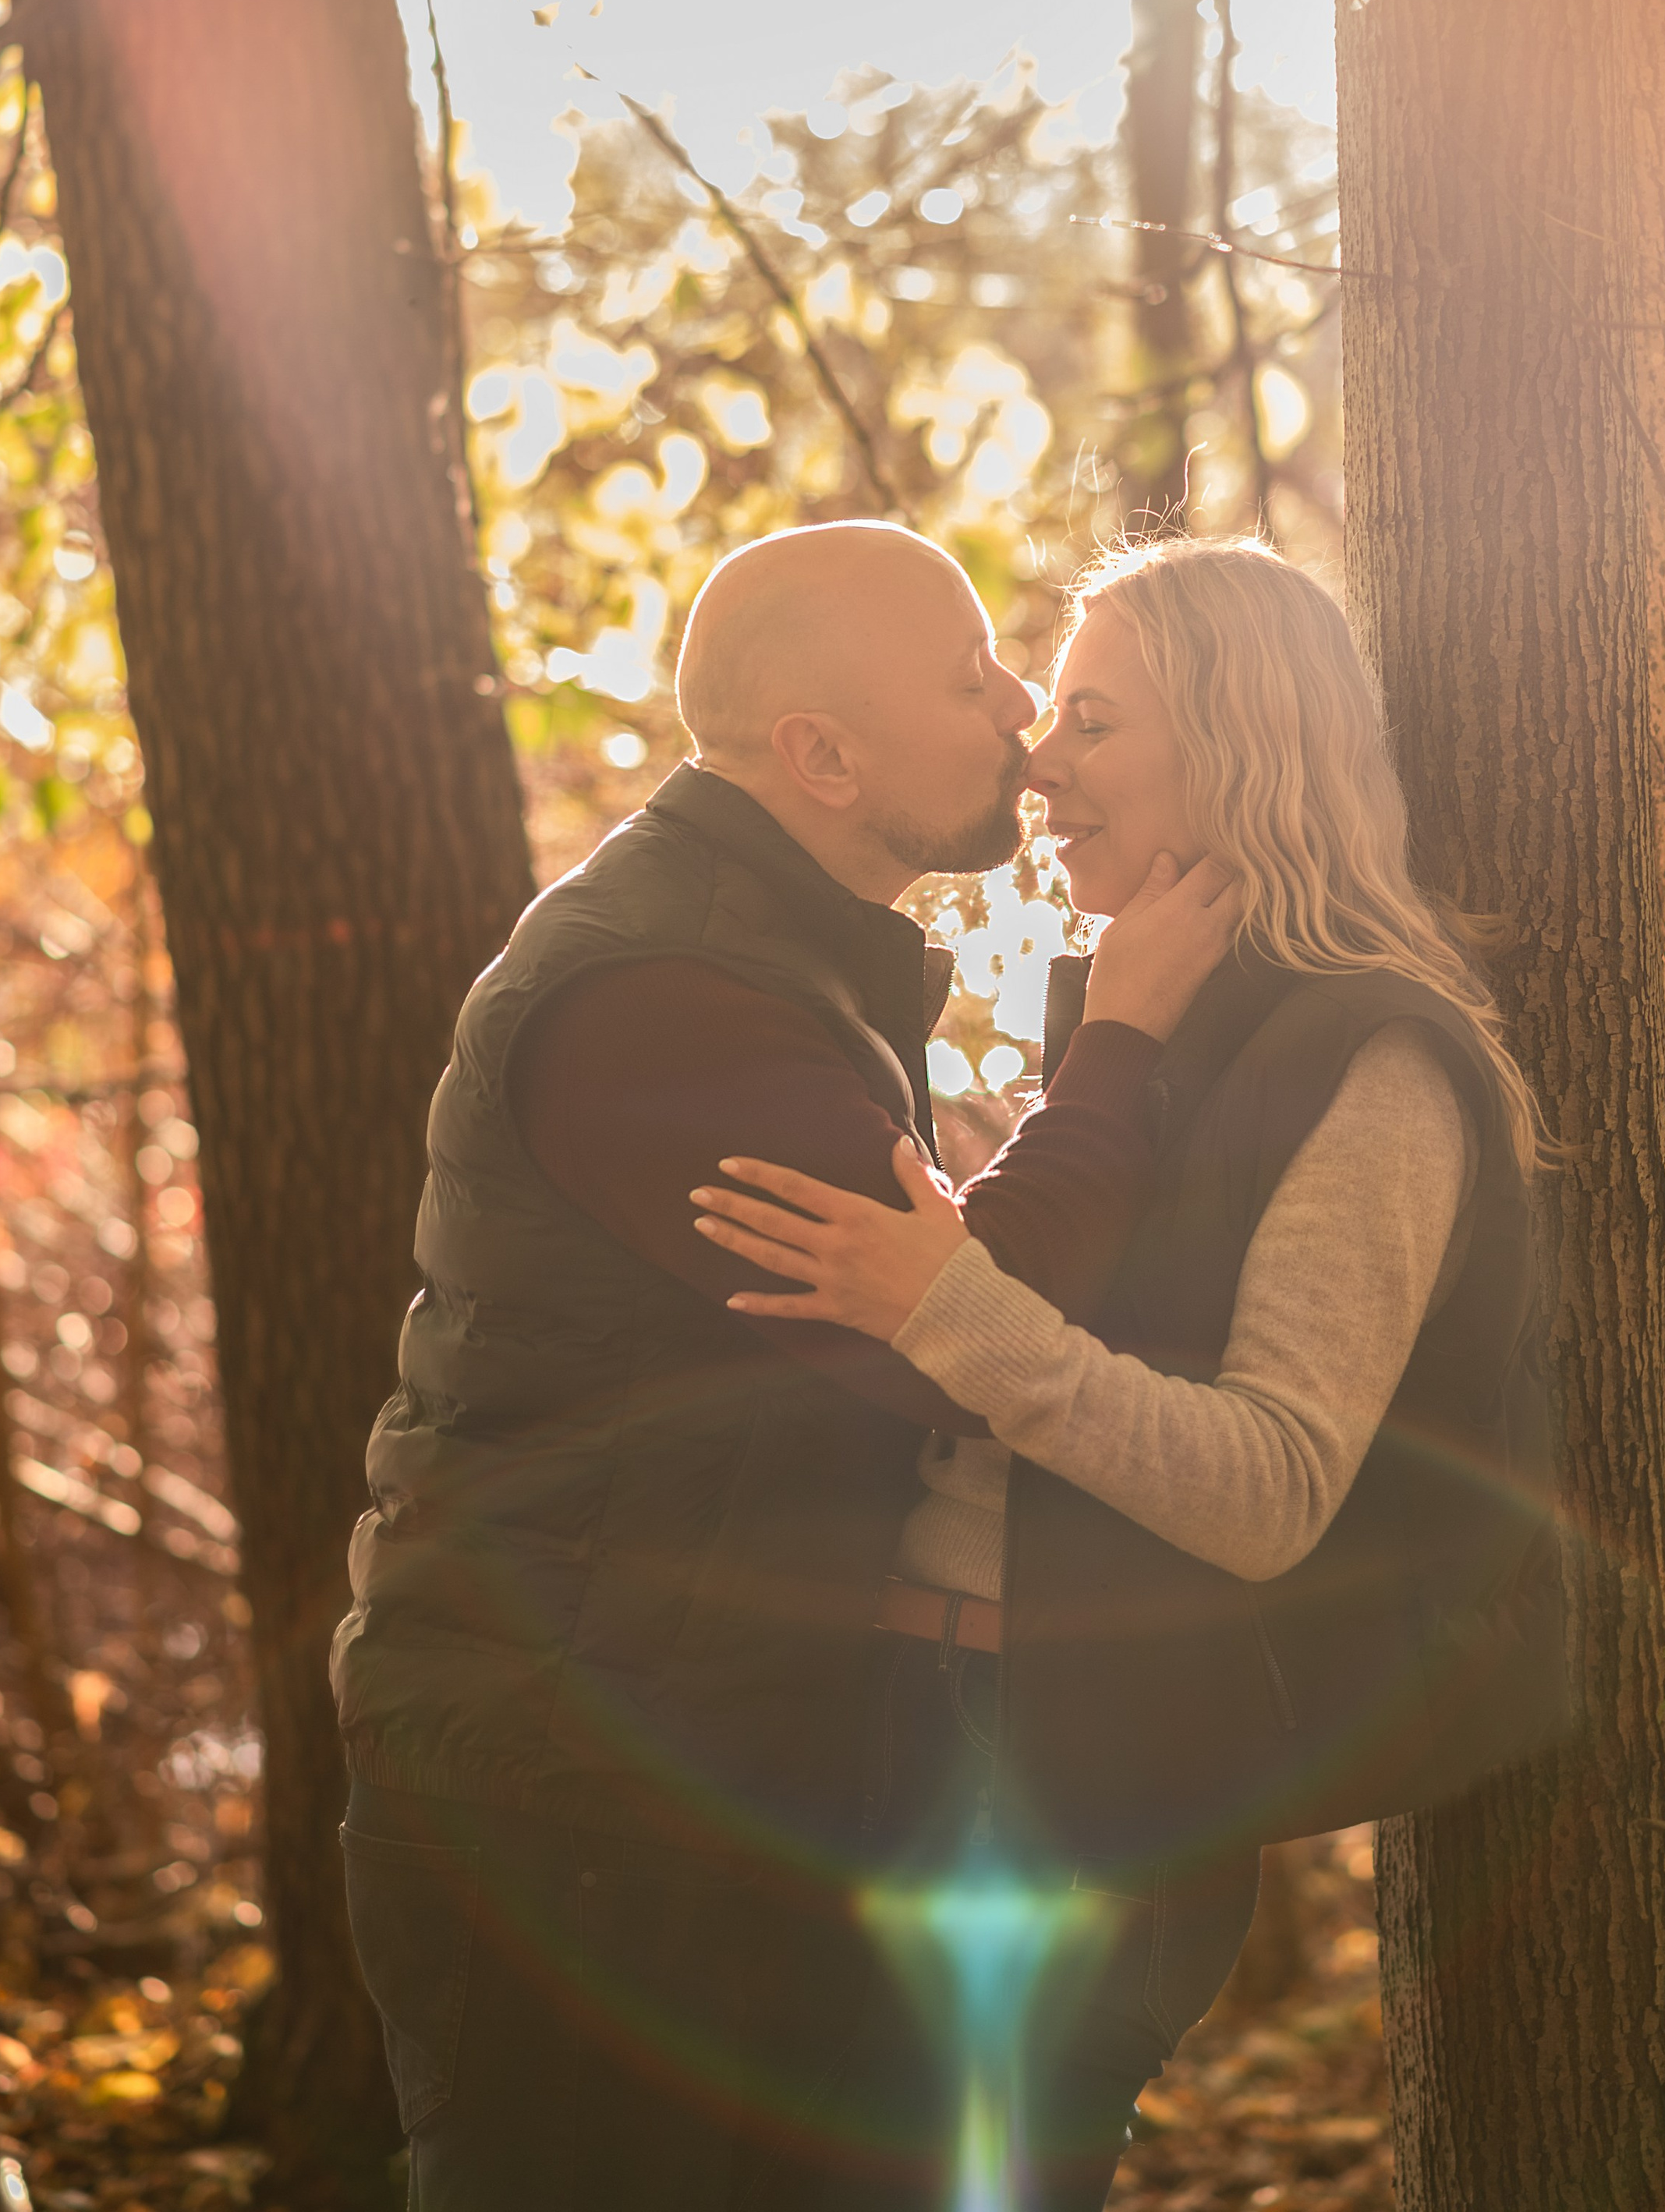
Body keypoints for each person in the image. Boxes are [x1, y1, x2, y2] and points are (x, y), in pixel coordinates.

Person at [328, 520, 1239, 2211]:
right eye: (968, 679)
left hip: (691, 1770)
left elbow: (927, 1289)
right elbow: (961, 1334)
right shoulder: (662, 999)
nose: (1020, 708)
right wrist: (1119, 1040)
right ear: (821, 757)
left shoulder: (777, 958)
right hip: (575, 1807)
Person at [691, 535, 1560, 2212]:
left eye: (1093, 722)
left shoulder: (1376, 1061)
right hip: (910, 1731)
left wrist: (945, 1304)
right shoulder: (1141, 1018)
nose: (1037, 764)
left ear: (1237, 745)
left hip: (1065, 1787)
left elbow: (1266, 1488)